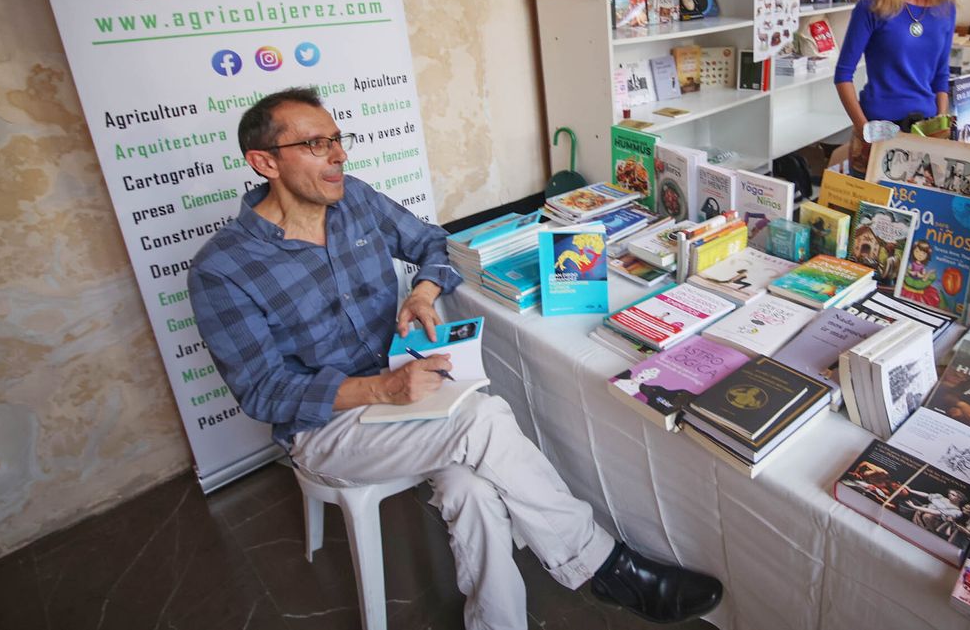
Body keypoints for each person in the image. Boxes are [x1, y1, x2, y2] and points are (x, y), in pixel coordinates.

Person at [189, 87, 723, 630]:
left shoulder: (356, 200)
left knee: (473, 487)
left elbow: (432, 243)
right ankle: (605, 566)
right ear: (264, 162)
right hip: (327, 425)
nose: (340, 155)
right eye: (316, 143)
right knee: (483, 417)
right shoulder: (223, 269)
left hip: (406, 390)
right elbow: (263, 391)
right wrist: (380, 389)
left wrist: (421, 294)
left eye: (338, 139)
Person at [834, 0, 959, 174]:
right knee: (870, 212)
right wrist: (864, 131)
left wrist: (942, 122)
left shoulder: (946, 9)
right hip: (879, 130)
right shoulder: (873, 6)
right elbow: (843, 75)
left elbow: (940, 74)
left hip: (926, 131)